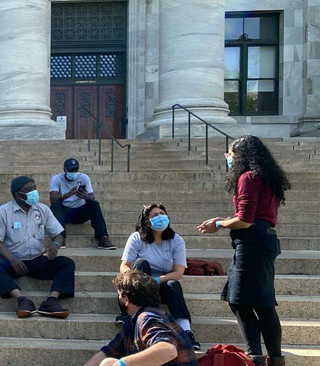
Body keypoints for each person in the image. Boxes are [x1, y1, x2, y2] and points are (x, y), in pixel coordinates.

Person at [197, 135, 289, 366]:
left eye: (231, 153)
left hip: (251, 244)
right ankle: (275, 359)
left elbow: (246, 220)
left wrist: (218, 224)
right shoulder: (267, 178)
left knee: (239, 300)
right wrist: (227, 220)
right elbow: (252, 216)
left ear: (242, 156)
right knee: (263, 303)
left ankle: (255, 356)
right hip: (265, 239)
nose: (228, 157)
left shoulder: (247, 177)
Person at [0, 175, 75, 319]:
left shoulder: (42, 209)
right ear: (17, 194)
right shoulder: (3, 211)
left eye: (34, 188)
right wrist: (12, 260)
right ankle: (22, 300)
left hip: (37, 260)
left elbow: (59, 234)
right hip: (13, 262)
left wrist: (55, 245)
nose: (34, 192)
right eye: (28, 190)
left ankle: (51, 301)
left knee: (67, 263)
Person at [117, 203, 200, 351]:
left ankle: (186, 331)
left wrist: (156, 280)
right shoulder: (136, 238)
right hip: (139, 283)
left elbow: (178, 272)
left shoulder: (176, 240)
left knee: (173, 284)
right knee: (140, 263)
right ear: (147, 221)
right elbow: (124, 266)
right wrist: (136, 279)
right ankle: (129, 313)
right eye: (155, 215)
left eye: (162, 213)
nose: (160, 217)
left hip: (160, 283)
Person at [83, 270, 198, 366]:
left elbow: (168, 350)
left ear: (126, 299)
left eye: (119, 295)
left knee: (109, 364)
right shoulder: (133, 321)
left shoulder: (148, 318)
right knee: (108, 361)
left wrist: (123, 363)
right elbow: (108, 352)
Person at [49, 158, 116, 249]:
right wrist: (66, 195)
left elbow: (92, 197)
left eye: (75, 170)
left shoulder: (84, 177)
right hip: (64, 213)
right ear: (64, 169)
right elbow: (53, 198)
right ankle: (61, 238)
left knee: (94, 204)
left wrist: (85, 197)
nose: (73, 172)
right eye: (70, 170)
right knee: (55, 206)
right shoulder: (57, 179)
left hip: (80, 212)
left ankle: (102, 238)